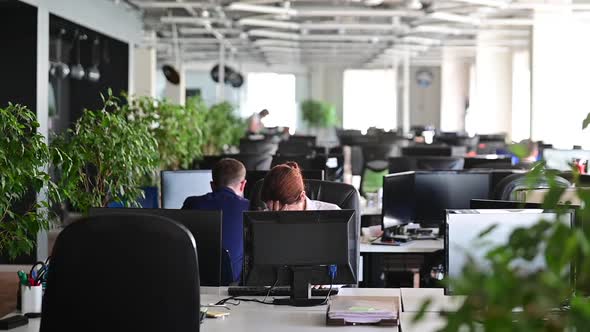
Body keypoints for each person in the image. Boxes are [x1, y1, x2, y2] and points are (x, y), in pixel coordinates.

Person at [181, 158, 249, 283]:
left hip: (195, 282)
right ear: (243, 185)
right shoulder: (249, 209)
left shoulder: (191, 203)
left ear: (212, 185)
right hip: (234, 289)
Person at [260, 162, 340, 211]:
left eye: (284, 210)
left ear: (302, 196)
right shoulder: (262, 220)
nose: (276, 210)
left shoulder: (333, 214)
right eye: (270, 208)